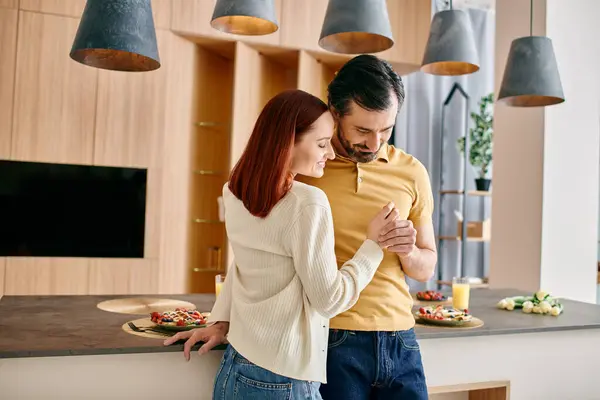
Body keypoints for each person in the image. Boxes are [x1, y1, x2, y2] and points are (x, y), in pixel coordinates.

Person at [164, 89, 401, 399]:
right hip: (283, 382)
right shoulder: (308, 202)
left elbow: (247, 264)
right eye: (321, 144)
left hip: (235, 368)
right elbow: (329, 299)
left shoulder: (234, 192)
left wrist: (220, 320)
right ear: (288, 141)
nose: (329, 154)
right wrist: (373, 246)